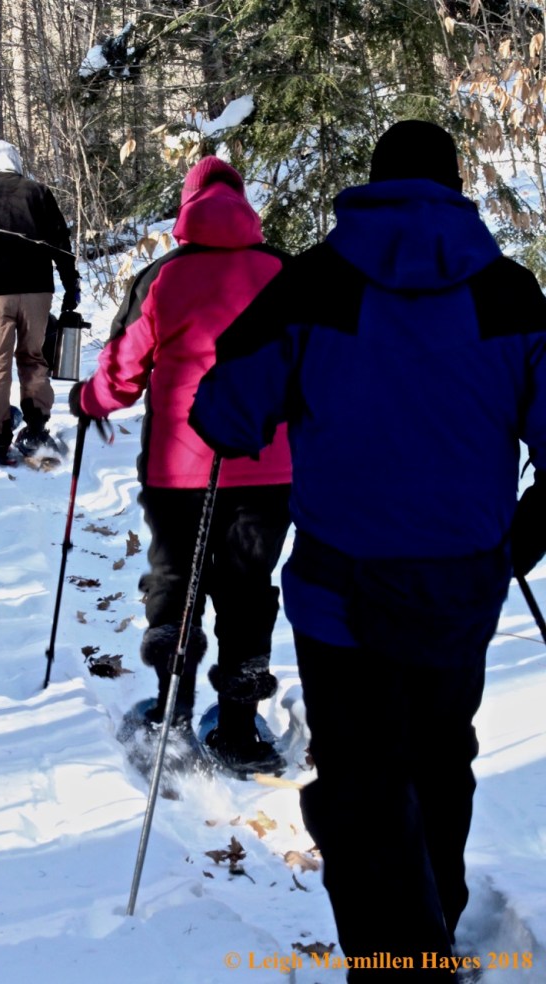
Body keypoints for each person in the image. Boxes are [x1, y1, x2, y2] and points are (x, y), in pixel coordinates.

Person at [189, 121, 546, 977]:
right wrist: (518, 543)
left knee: (360, 776)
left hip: (340, 588)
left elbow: (226, 414)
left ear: (373, 185)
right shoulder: (509, 292)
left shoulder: (315, 283)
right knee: (438, 754)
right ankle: (430, 928)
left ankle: (402, 958)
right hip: (462, 583)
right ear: (456, 188)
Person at [69, 156, 292, 776]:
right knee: (247, 590)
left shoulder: (161, 277)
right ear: (244, 206)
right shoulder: (283, 273)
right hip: (267, 466)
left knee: (177, 580)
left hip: (178, 468)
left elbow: (122, 373)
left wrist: (87, 400)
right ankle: (239, 731)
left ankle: (170, 719)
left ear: (187, 207)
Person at [0, 139, 80, 465]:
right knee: (32, 357)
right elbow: (60, 242)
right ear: (16, 163)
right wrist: (71, 284)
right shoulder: (38, 192)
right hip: (37, 290)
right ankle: (36, 428)